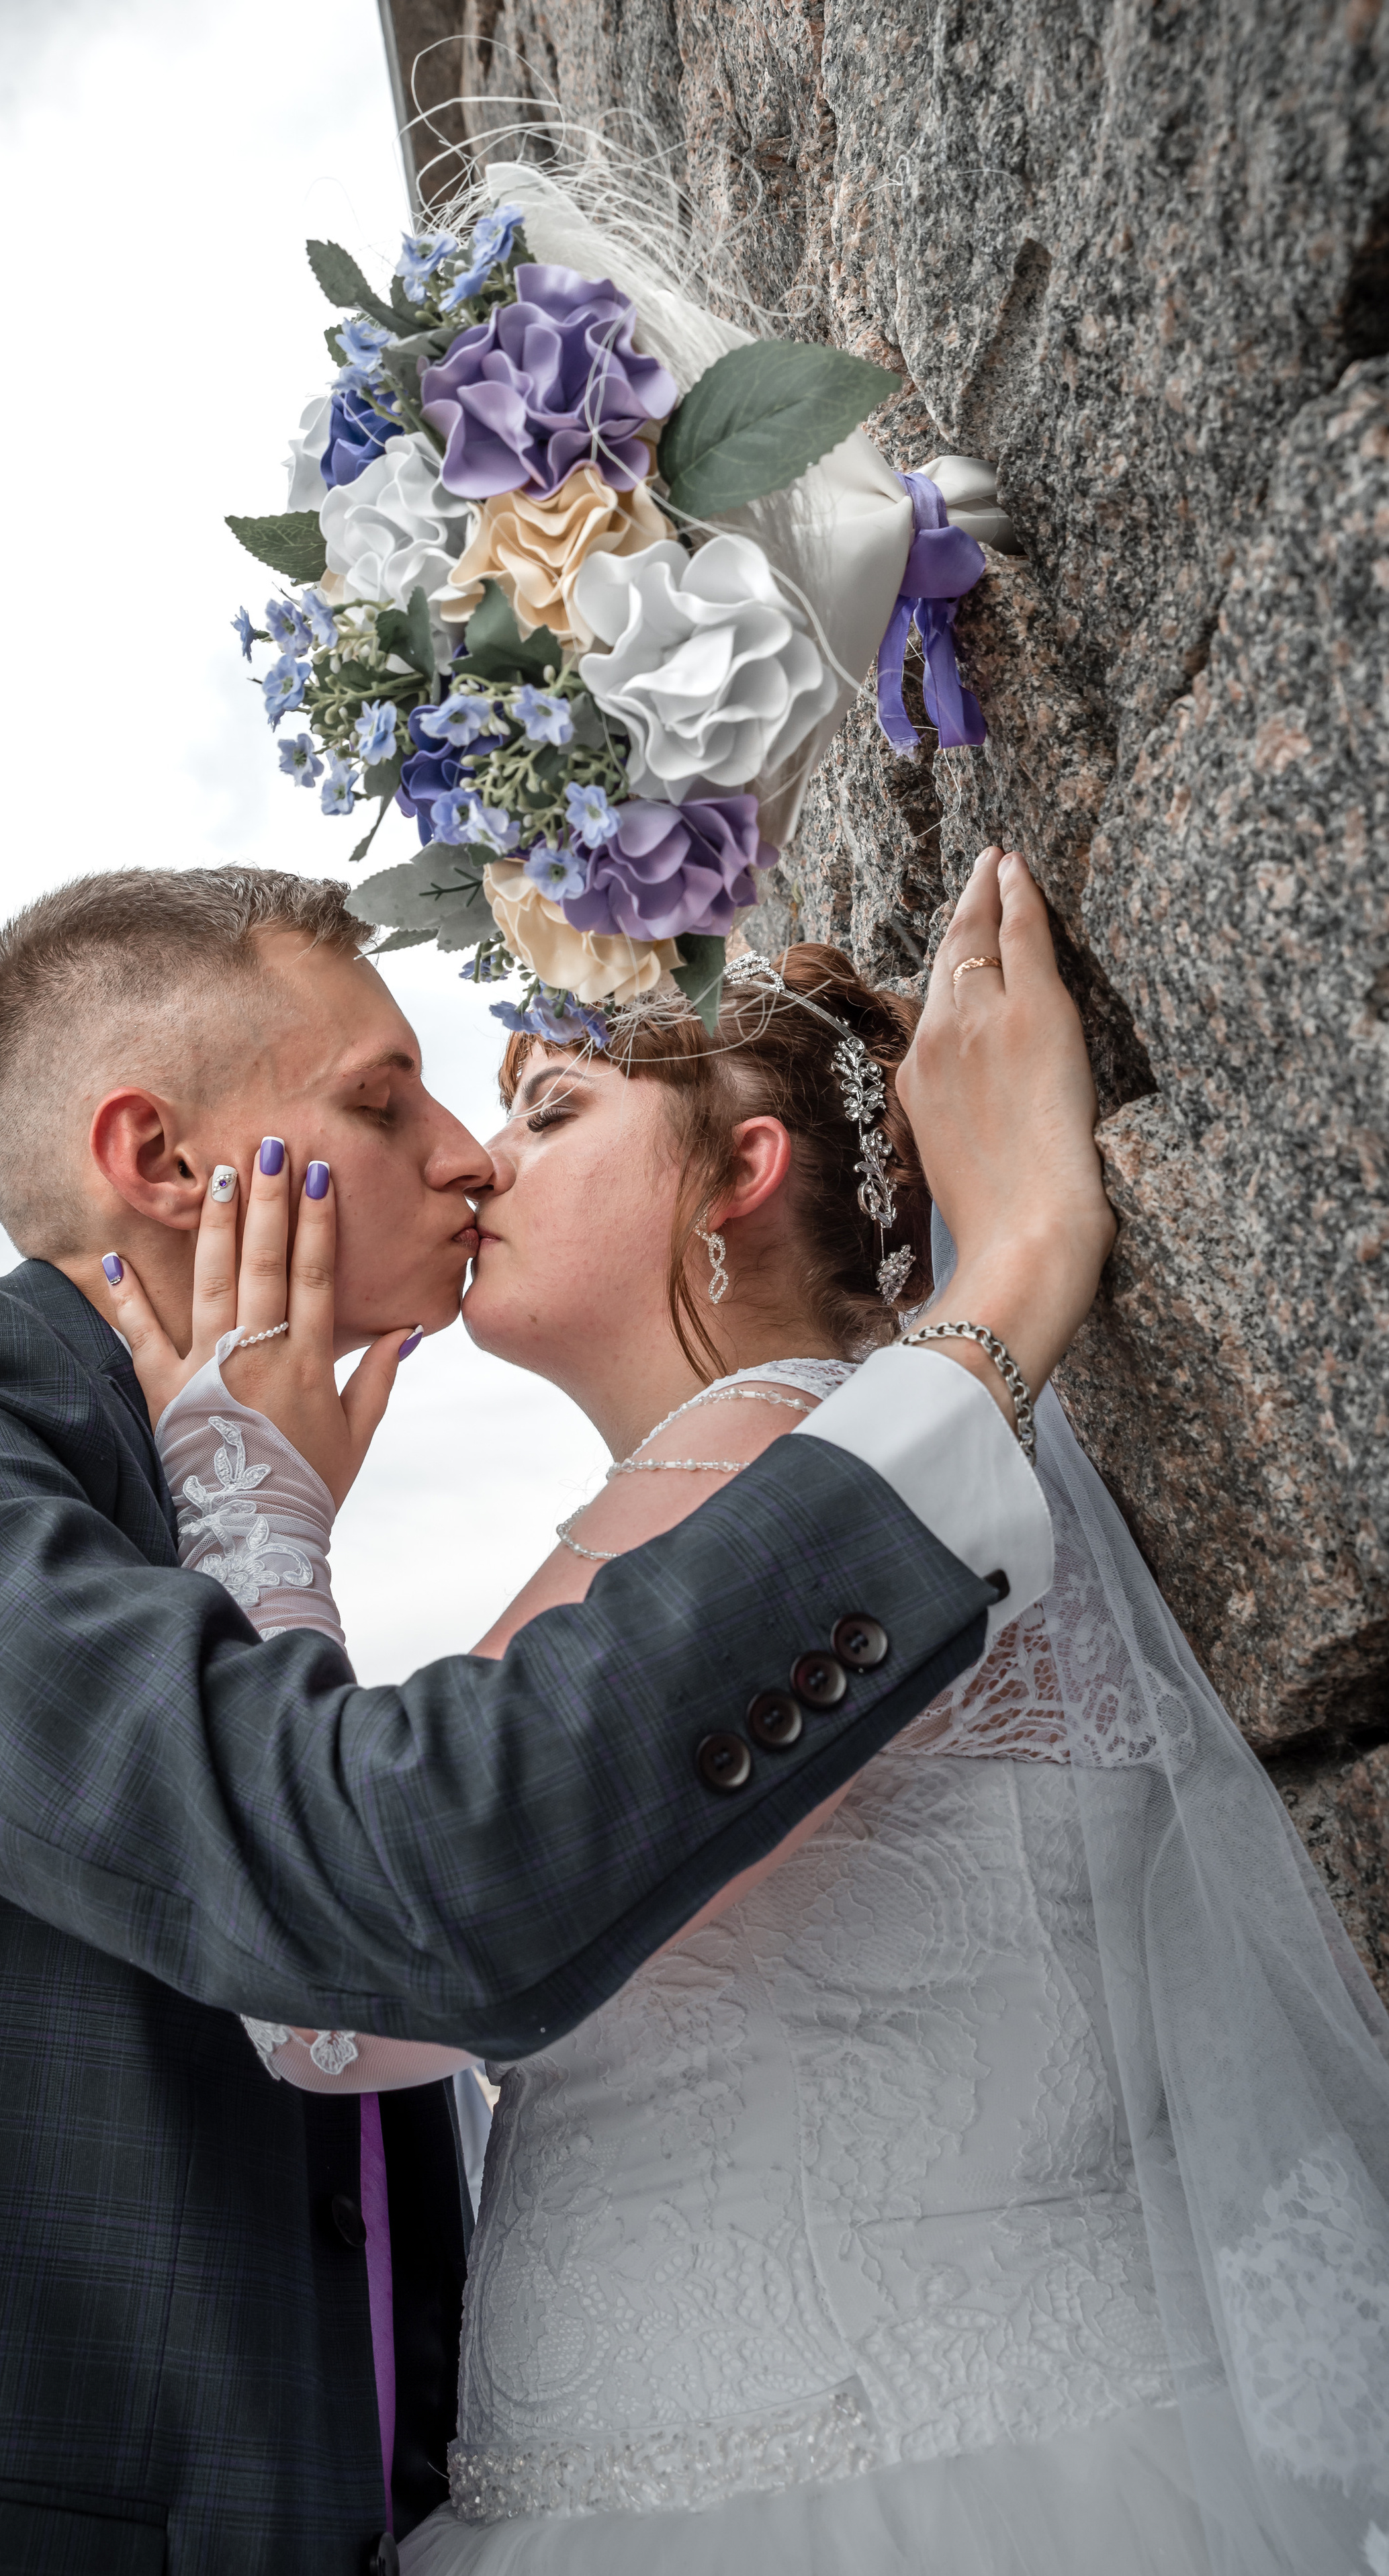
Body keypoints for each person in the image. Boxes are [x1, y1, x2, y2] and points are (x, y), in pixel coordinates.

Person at [0, 854, 1106, 2575]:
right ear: (160, 1160)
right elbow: (394, 1881)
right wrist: (994, 1313)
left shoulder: (216, 1511)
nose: (464, 1154)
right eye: (381, 1098)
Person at [142, 893, 1389, 2574]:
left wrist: (255, 1519)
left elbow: (338, 1990)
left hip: (812, 2495)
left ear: (736, 1172)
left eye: (549, 1110)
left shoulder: (746, 1459)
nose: (481, 1164)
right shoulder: (848, 1470)